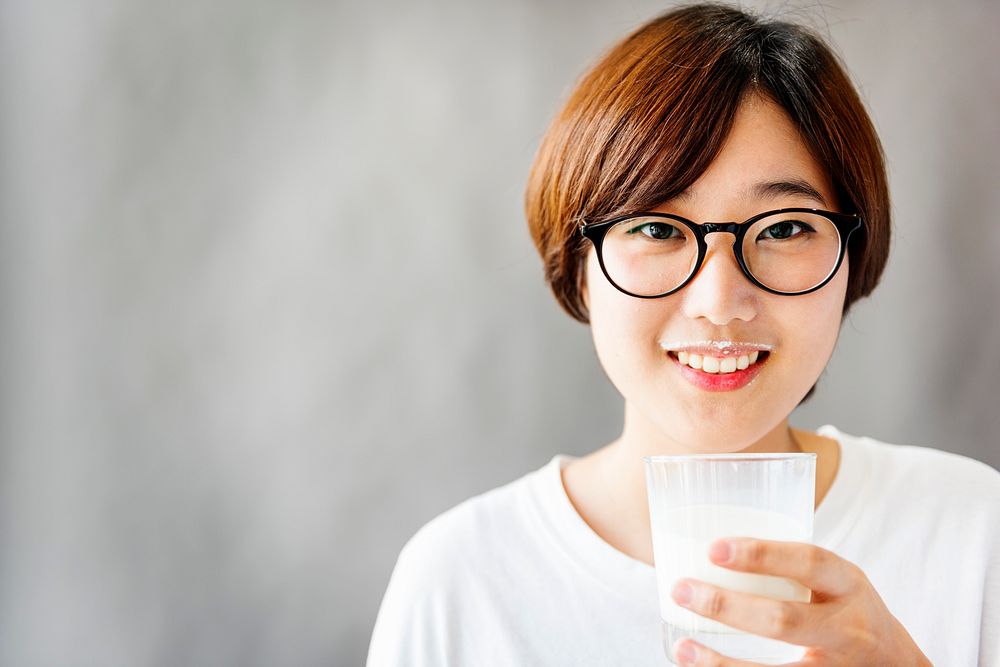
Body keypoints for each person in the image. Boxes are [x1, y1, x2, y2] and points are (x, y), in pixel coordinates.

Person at [366, 4, 1000, 666]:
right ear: (579, 267)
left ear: (854, 256)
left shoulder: (970, 533)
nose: (720, 302)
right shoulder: (460, 582)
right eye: (657, 228)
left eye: (784, 228)